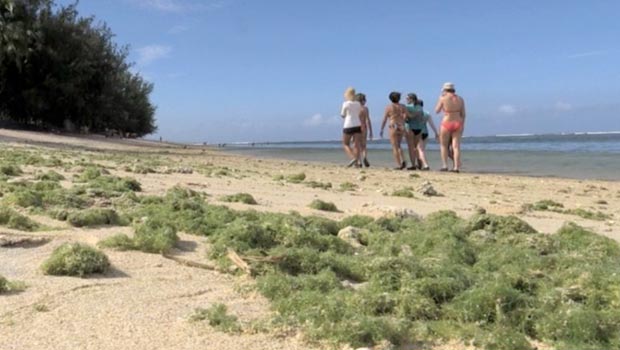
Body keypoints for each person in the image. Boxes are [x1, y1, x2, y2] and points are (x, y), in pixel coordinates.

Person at [435, 82, 466, 172]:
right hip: (458, 122)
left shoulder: (443, 98)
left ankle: (445, 165)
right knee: (456, 146)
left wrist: (442, 100)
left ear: (445, 90)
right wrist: (462, 124)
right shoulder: (460, 99)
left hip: (446, 121)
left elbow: (437, 110)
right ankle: (456, 167)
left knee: (443, 145)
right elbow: (463, 114)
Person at [380, 91, 408, 169]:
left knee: (394, 146)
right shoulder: (403, 106)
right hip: (401, 125)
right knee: (399, 145)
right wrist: (403, 119)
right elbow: (406, 116)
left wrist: (382, 129)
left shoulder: (389, 107)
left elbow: (385, 119)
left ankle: (399, 164)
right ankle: (403, 159)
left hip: (393, 125)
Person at [340, 87, 363, 167]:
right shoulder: (358, 103)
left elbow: (342, 115)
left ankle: (353, 158)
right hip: (357, 124)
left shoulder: (345, 103)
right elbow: (359, 112)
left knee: (345, 144)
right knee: (356, 145)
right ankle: (357, 163)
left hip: (348, 124)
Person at [415, 99, 439, 170]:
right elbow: (431, 124)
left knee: (420, 150)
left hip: (418, 132)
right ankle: (420, 165)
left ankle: (425, 165)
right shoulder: (427, 113)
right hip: (425, 133)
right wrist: (436, 133)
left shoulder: (415, 113)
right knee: (421, 150)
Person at [404, 93, 423, 170]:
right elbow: (420, 117)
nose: (406, 100)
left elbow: (406, 117)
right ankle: (419, 159)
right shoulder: (419, 107)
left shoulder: (407, 107)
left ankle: (413, 165)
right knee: (416, 147)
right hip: (419, 128)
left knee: (410, 147)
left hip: (410, 127)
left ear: (412, 99)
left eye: (407, 98)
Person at [355, 93, 373, 167]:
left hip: (356, 127)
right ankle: (365, 157)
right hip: (364, 127)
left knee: (356, 145)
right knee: (364, 145)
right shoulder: (365, 109)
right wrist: (371, 131)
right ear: (362, 100)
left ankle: (359, 161)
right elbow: (368, 120)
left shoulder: (355, 109)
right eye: (364, 100)